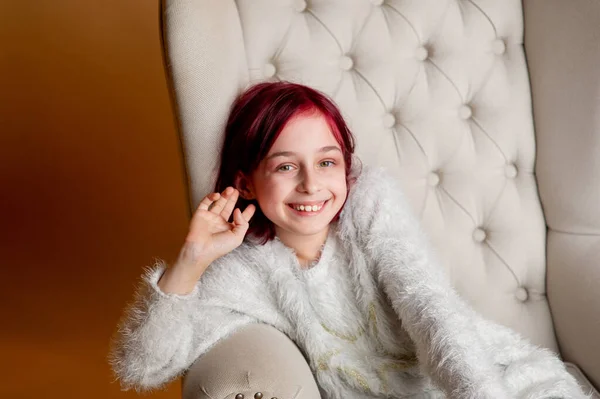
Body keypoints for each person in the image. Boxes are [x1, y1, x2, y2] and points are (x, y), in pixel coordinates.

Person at [108, 82, 587, 398]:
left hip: (486, 380)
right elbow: (142, 368)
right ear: (247, 182)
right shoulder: (244, 272)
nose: (312, 185)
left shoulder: (370, 207)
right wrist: (192, 260)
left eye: (327, 162)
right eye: (285, 166)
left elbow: (432, 311)